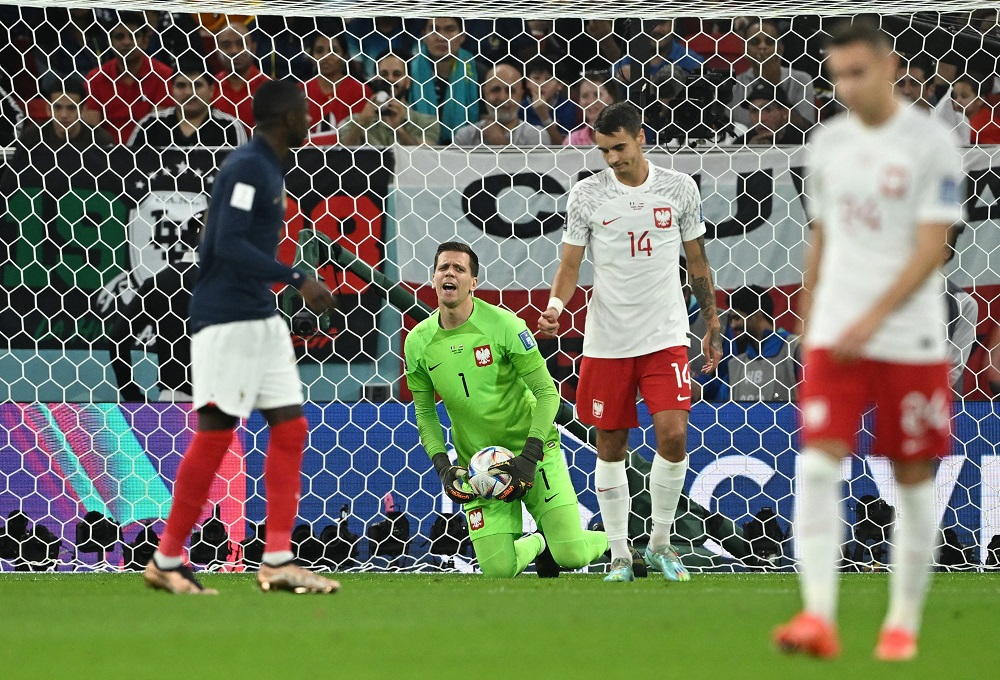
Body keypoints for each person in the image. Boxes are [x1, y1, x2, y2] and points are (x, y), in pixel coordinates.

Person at [773, 21, 963, 661]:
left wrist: (869, 320)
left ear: (890, 67)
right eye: (836, 76)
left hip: (909, 338)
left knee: (911, 477)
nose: (846, 87)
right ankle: (818, 617)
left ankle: (901, 623)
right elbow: (821, 236)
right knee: (818, 463)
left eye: (857, 73)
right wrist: (810, 315)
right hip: (836, 335)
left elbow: (933, 249)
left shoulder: (933, 143)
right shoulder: (827, 144)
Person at [143, 79, 339, 595]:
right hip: (227, 318)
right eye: (303, 111)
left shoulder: (268, 167)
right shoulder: (248, 166)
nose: (309, 118)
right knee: (215, 432)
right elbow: (226, 244)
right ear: (282, 118)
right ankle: (166, 559)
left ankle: (276, 559)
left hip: (261, 317)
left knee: (291, 428)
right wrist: (297, 277)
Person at [538, 102, 723, 582]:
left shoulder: (678, 188)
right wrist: (556, 310)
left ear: (641, 137)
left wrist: (712, 323)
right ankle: (621, 554)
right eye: (604, 151)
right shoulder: (586, 195)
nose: (613, 159)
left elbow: (697, 263)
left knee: (674, 435)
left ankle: (662, 544)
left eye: (619, 147)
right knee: (610, 446)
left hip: (664, 335)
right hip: (607, 340)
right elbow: (570, 266)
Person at [405, 242, 608, 578]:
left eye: (459, 268)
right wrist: (443, 466)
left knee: (572, 555)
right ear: (433, 279)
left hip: (534, 454)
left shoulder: (504, 325)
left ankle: (615, 542)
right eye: (443, 268)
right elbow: (425, 413)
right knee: (499, 570)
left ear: (473, 282)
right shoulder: (418, 342)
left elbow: (547, 393)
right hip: (481, 469)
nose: (450, 273)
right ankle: (540, 545)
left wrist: (530, 455)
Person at [84, 11, 173, 144]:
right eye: (120, 37)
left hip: (149, 153)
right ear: (110, 42)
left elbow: (159, 128)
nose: (127, 42)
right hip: (107, 156)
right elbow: (91, 131)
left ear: (145, 41)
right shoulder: (95, 78)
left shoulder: (164, 75)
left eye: (133, 36)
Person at [127, 63, 247, 148]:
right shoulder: (150, 124)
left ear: (211, 90)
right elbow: (127, 165)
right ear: (171, 90)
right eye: (181, 86)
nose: (189, 92)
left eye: (197, 85)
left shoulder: (230, 127)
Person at [728, 19, 816, 133]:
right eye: (755, 42)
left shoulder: (801, 80)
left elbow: (807, 130)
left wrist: (773, 86)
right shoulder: (735, 85)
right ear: (745, 50)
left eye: (770, 42)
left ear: (780, 49)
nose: (763, 46)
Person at [338, 52, 440, 147]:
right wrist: (361, 123)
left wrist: (399, 129)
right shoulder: (354, 121)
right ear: (375, 80)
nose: (390, 79)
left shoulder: (427, 123)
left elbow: (425, 158)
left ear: (408, 82)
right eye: (383, 74)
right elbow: (345, 156)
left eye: (397, 74)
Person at [408, 17, 480, 144]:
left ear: (462, 36)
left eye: (449, 30)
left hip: (467, 152)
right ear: (424, 34)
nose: (441, 38)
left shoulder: (478, 73)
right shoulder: (407, 71)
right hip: (418, 151)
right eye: (434, 30)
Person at [725, 285, 801, 402]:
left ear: (758, 316)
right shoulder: (735, 365)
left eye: (737, 318)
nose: (733, 326)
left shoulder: (793, 350)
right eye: (731, 319)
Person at [453, 64, 550, 147]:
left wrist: (499, 142)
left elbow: (533, 169)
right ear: (484, 93)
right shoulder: (466, 135)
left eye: (510, 91)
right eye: (495, 90)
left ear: (521, 96)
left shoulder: (536, 135)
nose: (503, 98)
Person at [302, 32, 369, 135]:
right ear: (312, 57)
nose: (326, 56)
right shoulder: (301, 90)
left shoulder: (361, 92)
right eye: (319, 51)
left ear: (345, 57)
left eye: (333, 51)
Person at [212, 21, 270, 131]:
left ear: (253, 47)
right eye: (226, 45)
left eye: (241, 43)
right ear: (216, 49)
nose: (234, 51)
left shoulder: (271, 88)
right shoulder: (210, 88)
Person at [735, 83, 805, 146]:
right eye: (754, 111)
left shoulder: (805, 141)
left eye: (767, 110)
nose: (760, 119)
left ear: (784, 113)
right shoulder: (742, 143)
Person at [563, 73, 620, 146]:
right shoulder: (573, 140)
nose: (591, 101)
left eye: (597, 95)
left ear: (612, 98)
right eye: (585, 96)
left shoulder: (627, 136)